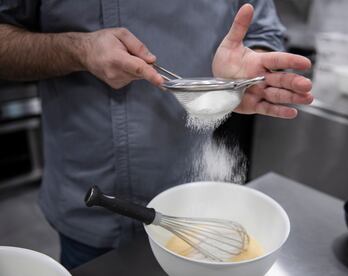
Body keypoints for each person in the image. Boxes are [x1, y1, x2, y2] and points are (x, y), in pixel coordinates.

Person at [0, 0, 313, 269]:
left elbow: (262, 29)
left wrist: (251, 70)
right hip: (93, 203)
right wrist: (78, 50)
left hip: (197, 200)